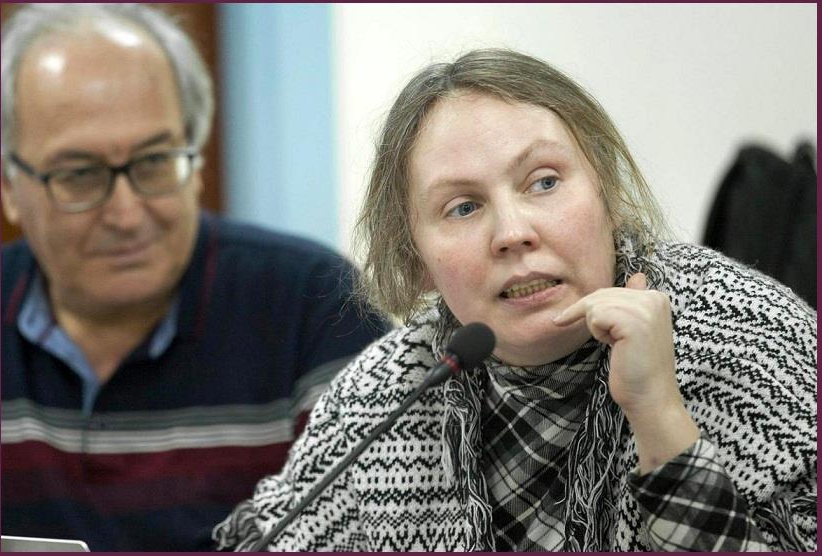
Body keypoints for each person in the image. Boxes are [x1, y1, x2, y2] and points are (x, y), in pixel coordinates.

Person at [214, 48, 817, 551]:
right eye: (463, 208)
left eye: (544, 182)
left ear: (607, 192)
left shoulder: (751, 337)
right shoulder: (387, 396)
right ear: (416, 257)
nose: (512, 232)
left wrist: (660, 416)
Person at [0, 4, 390, 551]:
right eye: (80, 175)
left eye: (155, 161)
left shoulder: (316, 309)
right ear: (10, 188)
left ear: (197, 160)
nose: (126, 214)